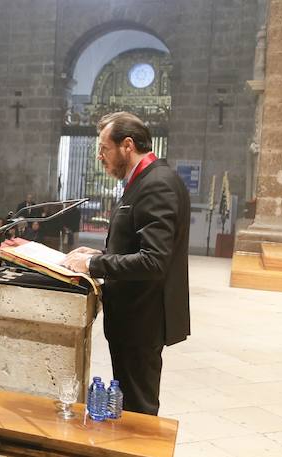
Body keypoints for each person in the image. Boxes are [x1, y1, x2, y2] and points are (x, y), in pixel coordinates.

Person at [62, 112, 191, 416]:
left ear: (127, 145)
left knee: (139, 410)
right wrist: (98, 254)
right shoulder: (145, 181)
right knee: (130, 408)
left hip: (141, 320)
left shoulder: (157, 184)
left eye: (104, 148)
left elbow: (153, 260)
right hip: (133, 318)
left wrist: (94, 265)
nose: (100, 157)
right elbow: (136, 244)